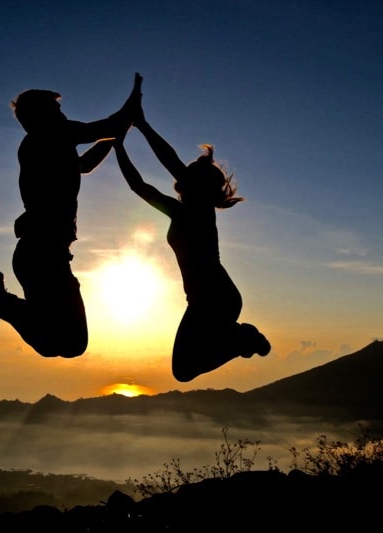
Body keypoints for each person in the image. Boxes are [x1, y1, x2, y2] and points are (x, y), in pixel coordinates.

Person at [0, 73, 143, 358]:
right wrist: (133, 103)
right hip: (43, 253)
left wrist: (112, 138)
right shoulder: (50, 134)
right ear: (40, 115)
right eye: (57, 109)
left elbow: (84, 164)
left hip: (39, 253)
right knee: (69, 343)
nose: (63, 114)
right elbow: (110, 125)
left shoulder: (45, 143)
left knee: (59, 343)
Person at [113, 104, 270, 382]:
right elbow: (140, 186)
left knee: (184, 370)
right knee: (183, 370)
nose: (182, 172)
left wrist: (137, 130)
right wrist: (121, 143)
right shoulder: (184, 210)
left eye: (189, 172)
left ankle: (242, 339)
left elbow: (162, 164)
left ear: (196, 184)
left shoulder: (196, 211)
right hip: (210, 300)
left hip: (214, 301)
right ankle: (241, 339)